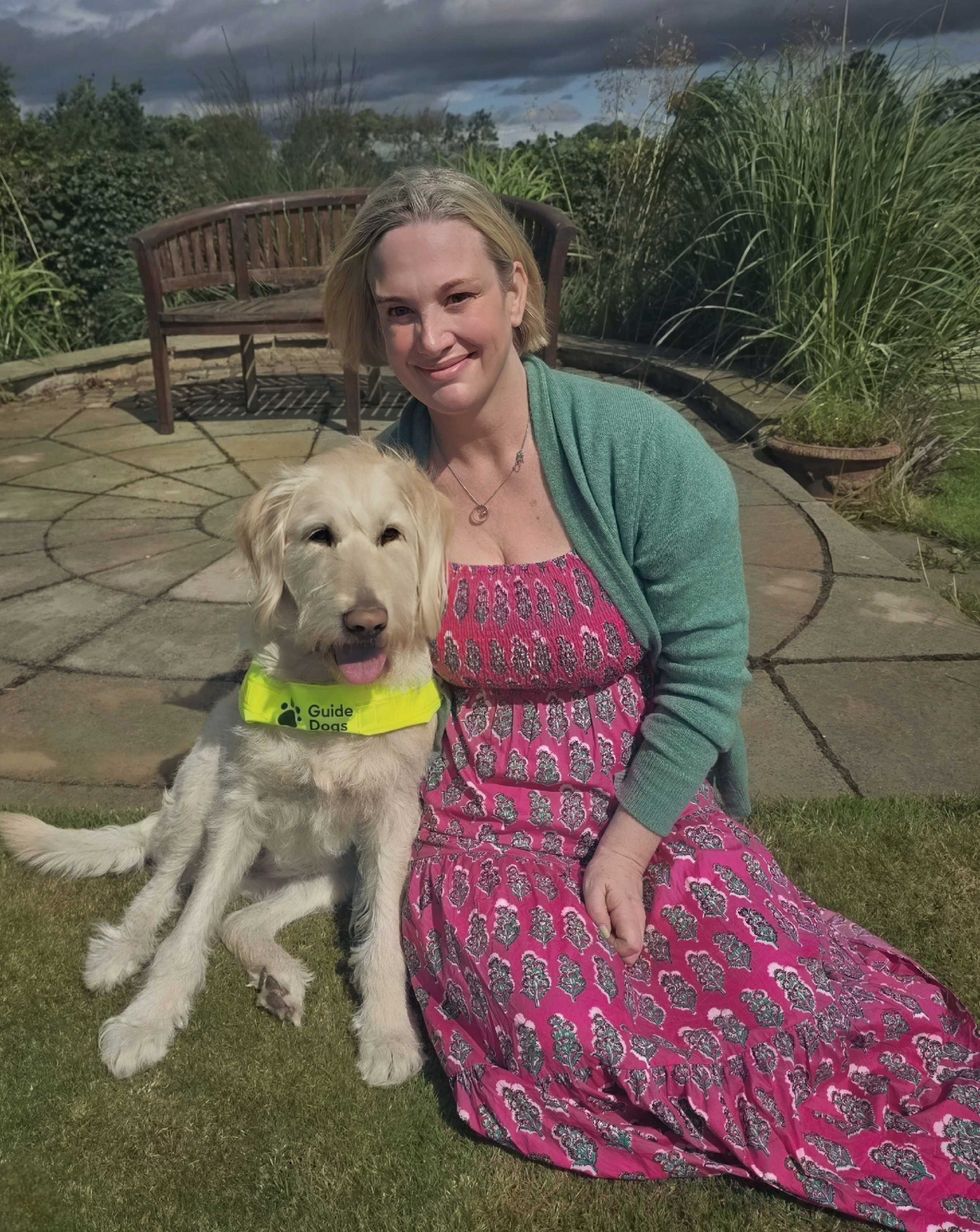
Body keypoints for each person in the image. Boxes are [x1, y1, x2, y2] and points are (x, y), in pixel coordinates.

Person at [323, 168, 980, 1228]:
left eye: (457, 298)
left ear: (516, 295)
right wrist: (310, 712)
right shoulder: (374, 483)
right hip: (476, 819)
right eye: (399, 311)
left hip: (642, 787)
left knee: (778, 991)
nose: (430, 337)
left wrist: (626, 843)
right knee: (564, 1023)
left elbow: (708, 671)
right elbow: (330, 665)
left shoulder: (639, 448)